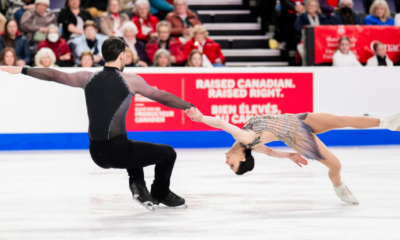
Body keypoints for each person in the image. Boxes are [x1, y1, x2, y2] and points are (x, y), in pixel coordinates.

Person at [0, 37, 203, 211]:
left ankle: (138, 187)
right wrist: (188, 106)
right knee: (168, 153)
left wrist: (22, 69)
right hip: (117, 152)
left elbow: (55, 75)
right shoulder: (130, 80)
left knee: (132, 147)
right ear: (122, 56)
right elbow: (162, 96)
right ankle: (161, 193)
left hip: (96, 153)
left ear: (104, 56)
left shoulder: (87, 78)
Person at [185, 108, 400, 204]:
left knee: (340, 119)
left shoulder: (251, 145)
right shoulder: (245, 138)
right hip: (297, 135)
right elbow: (222, 123)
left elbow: (269, 151)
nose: (227, 162)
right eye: (231, 166)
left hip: (297, 119)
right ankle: (339, 187)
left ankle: (386, 122)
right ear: (242, 159)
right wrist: (201, 117)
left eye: (229, 165)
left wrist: (288, 156)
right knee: (335, 164)